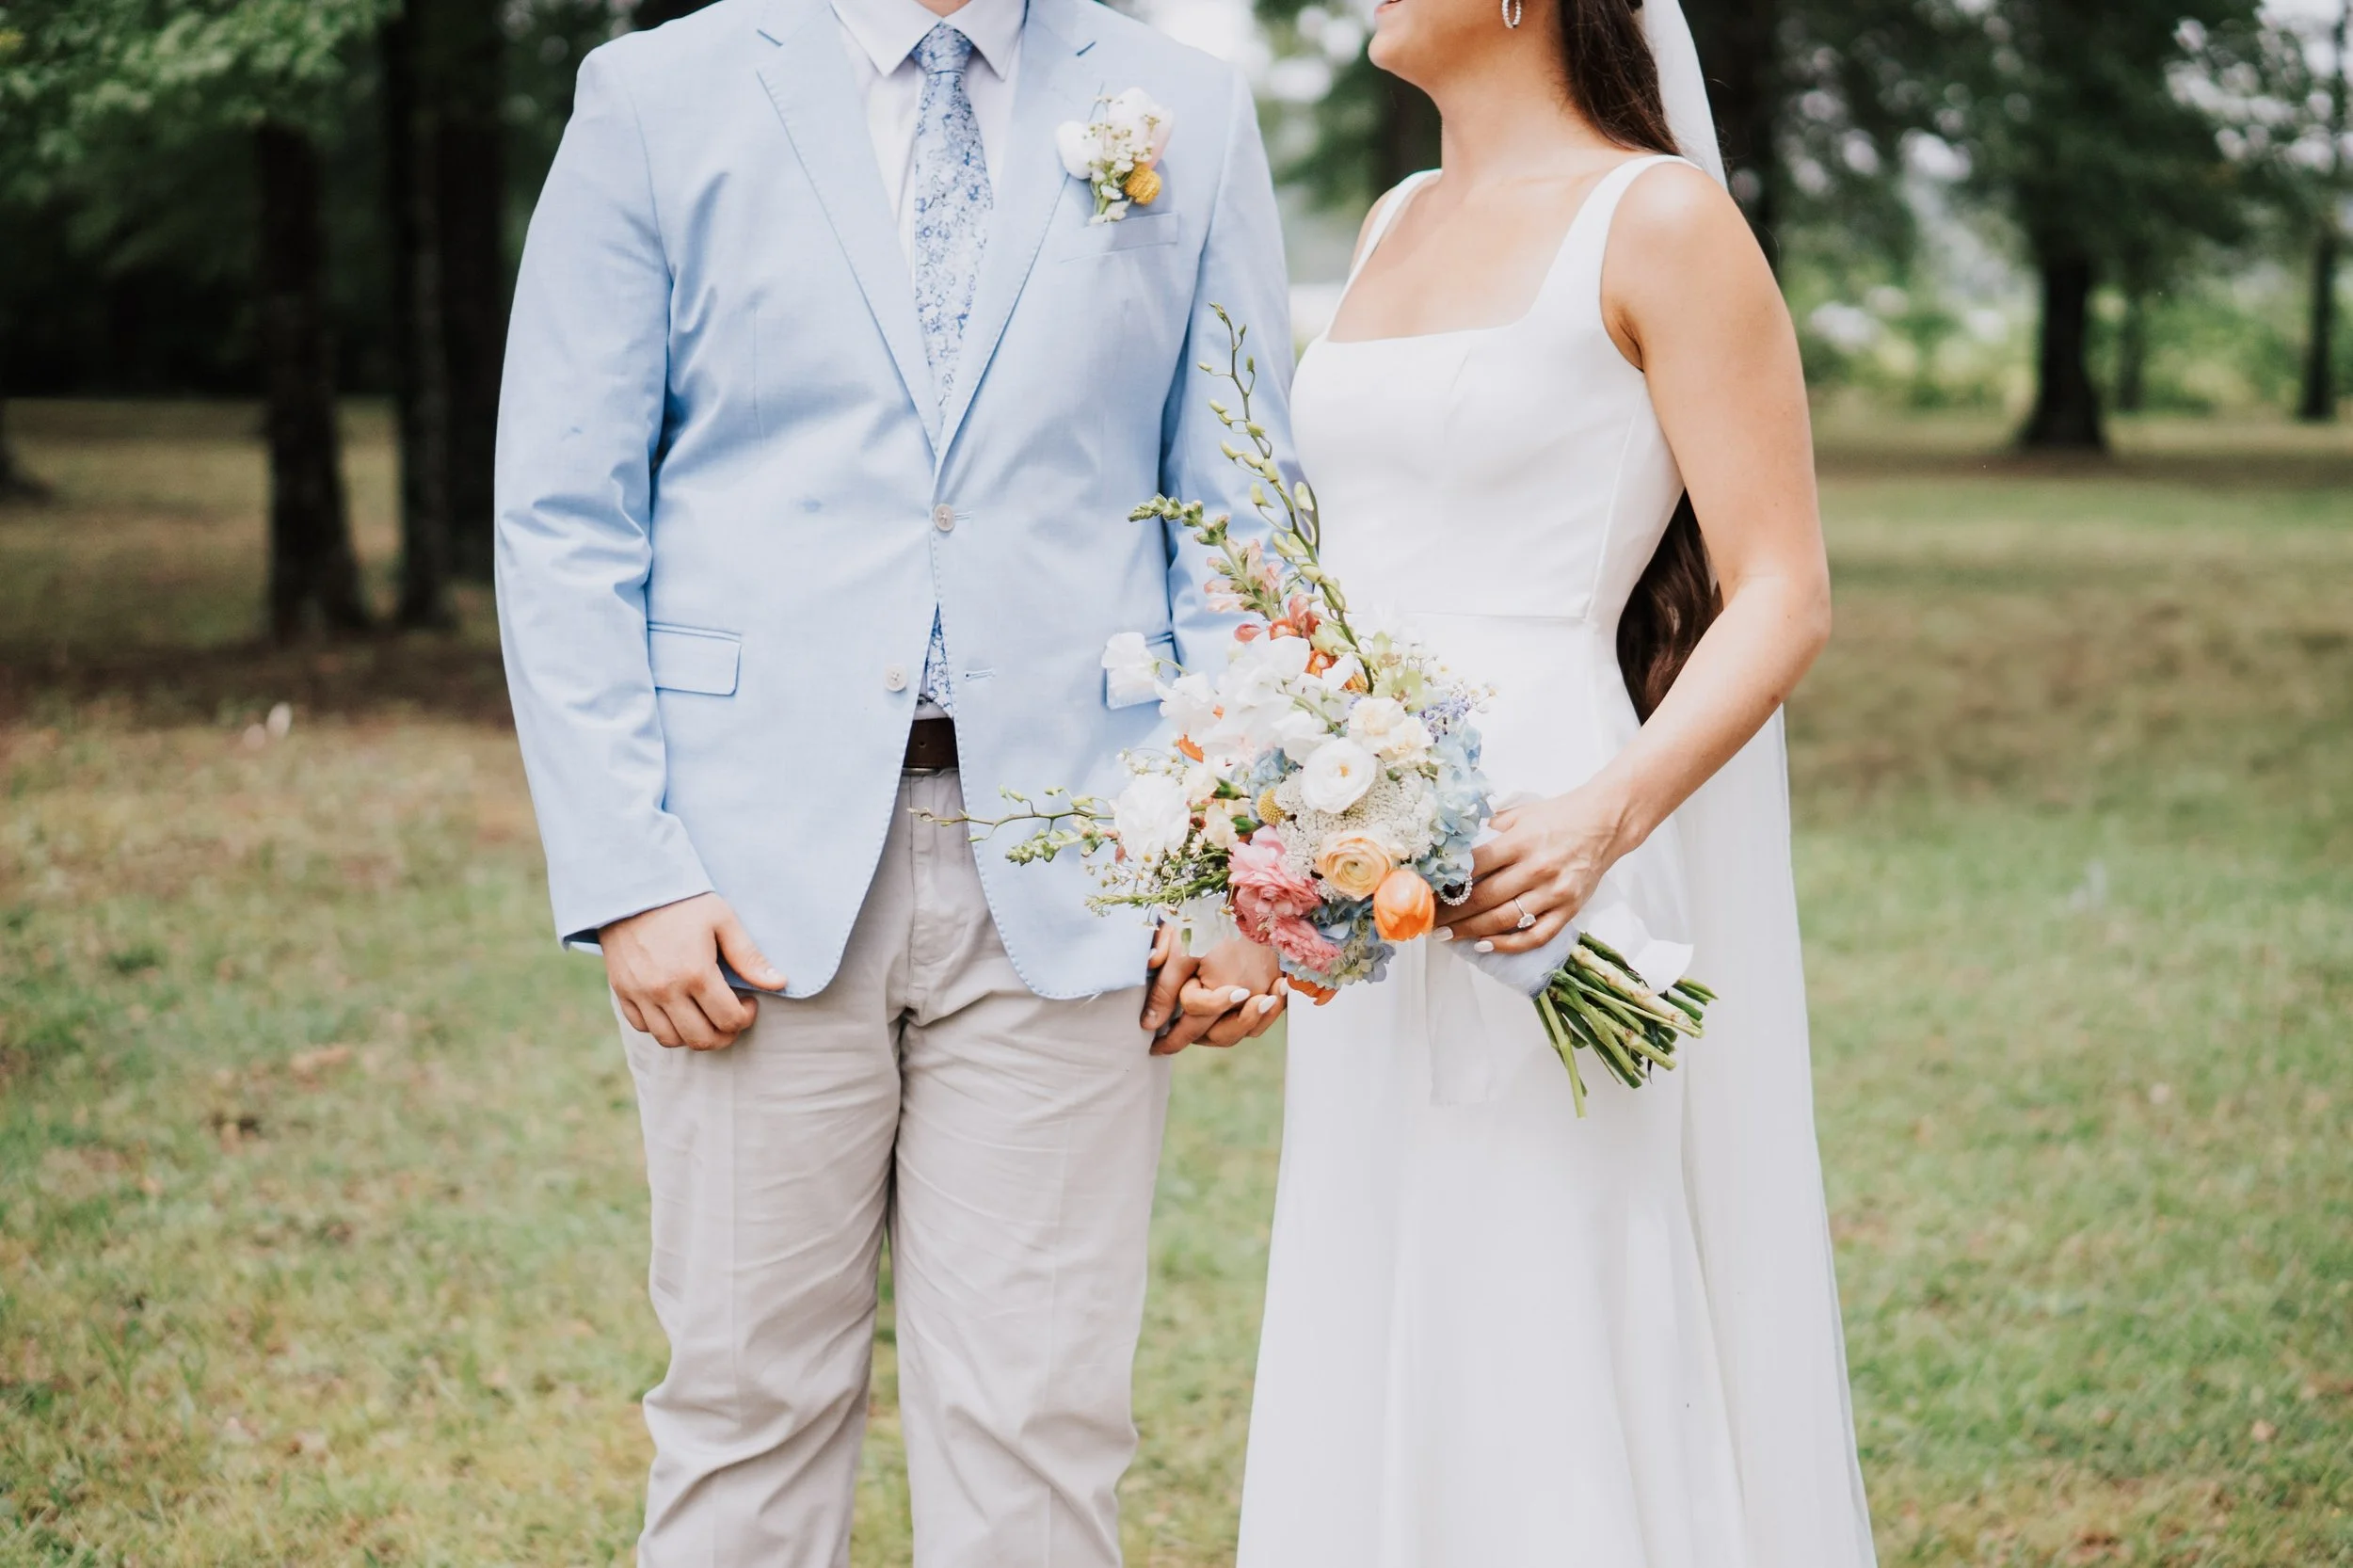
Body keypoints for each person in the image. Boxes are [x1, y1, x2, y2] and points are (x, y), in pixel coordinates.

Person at [491, 0, 1292, 1560]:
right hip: (740, 878)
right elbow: (562, 515)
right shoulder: (656, 94)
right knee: (744, 1414)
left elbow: (1243, 521)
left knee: (1043, 1430)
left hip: (1085, 865)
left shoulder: (1181, 105)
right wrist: (631, 869)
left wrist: (1230, 861)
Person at [1234, 0, 1878, 1562]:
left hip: (1555, 823)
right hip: (1368, 833)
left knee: (1545, 1269)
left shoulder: (1660, 219)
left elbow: (1781, 587)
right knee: (1384, 1262)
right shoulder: (1394, 218)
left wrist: (1605, 813)